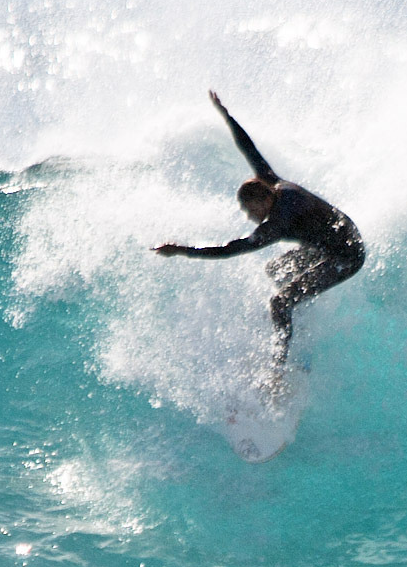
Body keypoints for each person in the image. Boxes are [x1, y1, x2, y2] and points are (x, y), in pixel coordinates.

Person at [154, 91, 365, 381]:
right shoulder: (271, 184)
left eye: (248, 209)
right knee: (276, 269)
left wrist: (182, 250)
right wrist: (226, 116)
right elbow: (249, 149)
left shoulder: (278, 221)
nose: (248, 215)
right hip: (329, 244)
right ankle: (299, 317)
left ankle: (277, 369)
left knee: (279, 302)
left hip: (347, 254)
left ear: (261, 202)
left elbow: (231, 249)